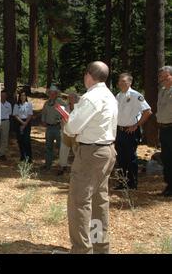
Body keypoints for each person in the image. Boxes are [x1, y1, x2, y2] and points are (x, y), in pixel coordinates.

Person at [64, 61, 118, 254]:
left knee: (79, 202)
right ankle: (100, 247)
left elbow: (72, 128)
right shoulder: (110, 96)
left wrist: (69, 118)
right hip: (107, 150)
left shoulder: (91, 97)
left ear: (88, 75)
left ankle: (81, 250)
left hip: (91, 154)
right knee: (98, 201)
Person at [114, 73, 152, 190]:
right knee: (120, 158)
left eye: (124, 81)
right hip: (119, 131)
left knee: (131, 158)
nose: (121, 83)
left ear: (130, 82)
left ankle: (132, 183)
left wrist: (136, 125)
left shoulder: (136, 95)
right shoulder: (118, 96)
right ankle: (122, 182)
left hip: (131, 131)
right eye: (120, 81)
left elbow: (148, 111)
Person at [41, 85, 65, 170]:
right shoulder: (46, 103)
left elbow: (66, 113)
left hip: (58, 127)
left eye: (53, 93)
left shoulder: (61, 102)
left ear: (56, 93)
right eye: (50, 93)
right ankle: (48, 164)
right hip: (49, 127)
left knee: (60, 147)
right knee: (48, 147)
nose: (52, 94)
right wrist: (43, 120)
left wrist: (62, 121)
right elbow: (44, 113)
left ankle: (61, 166)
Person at [157, 66, 172, 197]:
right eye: (161, 77)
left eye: (165, 77)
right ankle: (169, 184)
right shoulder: (162, 91)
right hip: (163, 128)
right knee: (166, 157)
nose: (162, 79)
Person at [58, 93, 80, 175]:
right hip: (65, 132)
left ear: (76, 98)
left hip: (75, 133)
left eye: (72, 98)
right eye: (69, 98)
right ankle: (63, 167)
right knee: (63, 150)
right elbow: (62, 119)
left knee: (76, 151)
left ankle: (78, 169)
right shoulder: (66, 107)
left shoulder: (79, 108)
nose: (70, 99)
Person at [13, 91, 33, 162]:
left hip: (27, 123)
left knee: (26, 140)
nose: (22, 97)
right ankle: (22, 156)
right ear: (19, 97)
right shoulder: (16, 105)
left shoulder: (29, 104)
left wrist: (25, 124)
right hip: (19, 123)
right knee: (20, 140)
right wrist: (22, 123)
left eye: (24, 95)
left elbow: (30, 115)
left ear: (26, 96)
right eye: (21, 95)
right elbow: (15, 115)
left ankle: (29, 157)